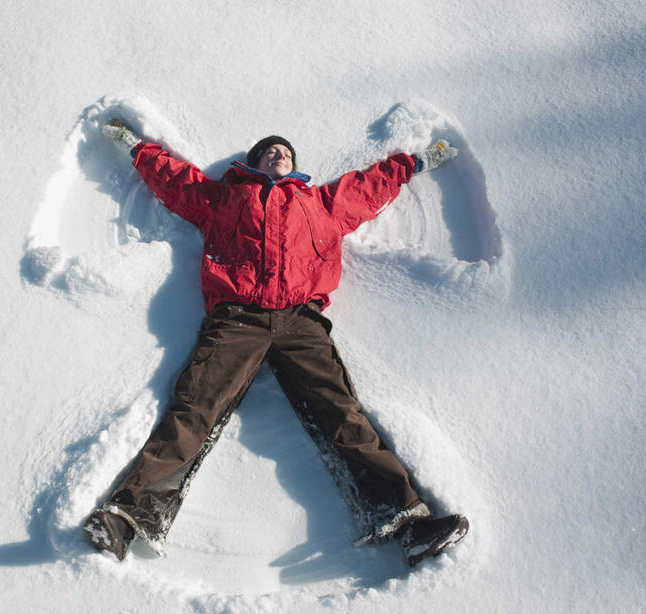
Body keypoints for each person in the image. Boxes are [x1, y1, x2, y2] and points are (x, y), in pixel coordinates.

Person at [83, 119, 468, 567]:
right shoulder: (225, 197)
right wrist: (135, 147)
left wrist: (417, 161)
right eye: (268, 152)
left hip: (300, 321)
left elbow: (369, 186)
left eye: (284, 152)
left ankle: (408, 524)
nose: (277, 155)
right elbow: (177, 181)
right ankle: (125, 519)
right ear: (252, 164)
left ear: (294, 165)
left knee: (341, 413)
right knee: (195, 409)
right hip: (236, 318)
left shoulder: (322, 203)